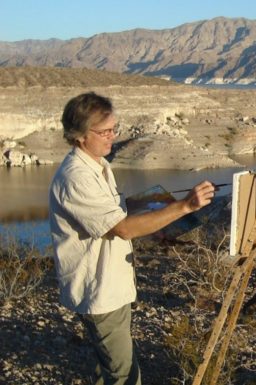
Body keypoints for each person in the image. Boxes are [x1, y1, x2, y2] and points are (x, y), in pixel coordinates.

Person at [48, 92, 215, 385]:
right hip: (99, 291)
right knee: (124, 374)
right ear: (79, 135)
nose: (112, 137)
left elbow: (118, 214)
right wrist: (185, 206)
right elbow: (122, 228)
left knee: (108, 365)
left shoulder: (98, 164)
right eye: (105, 132)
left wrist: (157, 221)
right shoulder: (77, 177)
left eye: (115, 128)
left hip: (113, 285)